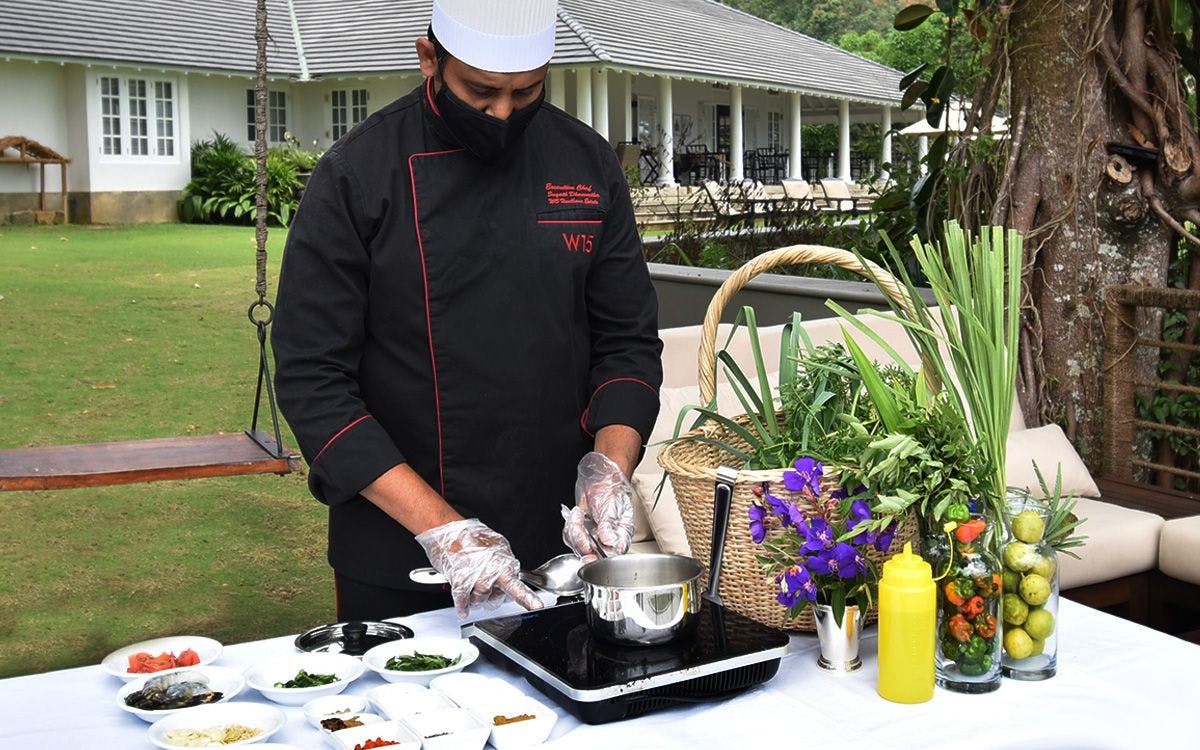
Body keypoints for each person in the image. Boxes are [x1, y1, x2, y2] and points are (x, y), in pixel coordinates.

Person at [271, 0, 662, 621]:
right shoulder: (358, 174)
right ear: (430, 58)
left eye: (526, 92)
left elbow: (628, 342)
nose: (503, 114)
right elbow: (312, 379)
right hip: (403, 548)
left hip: (556, 538)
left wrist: (609, 468)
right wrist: (445, 532)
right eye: (480, 92)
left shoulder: (585, 164)